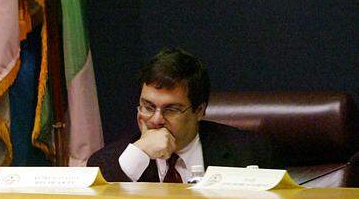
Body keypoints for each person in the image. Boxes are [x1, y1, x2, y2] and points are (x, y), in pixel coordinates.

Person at [87, 48, 274, 182]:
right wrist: (139, 153)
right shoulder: (107, 161)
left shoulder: (249, 152)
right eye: (148, 107)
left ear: (199, 111)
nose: (156, 119)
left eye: (171, 109)